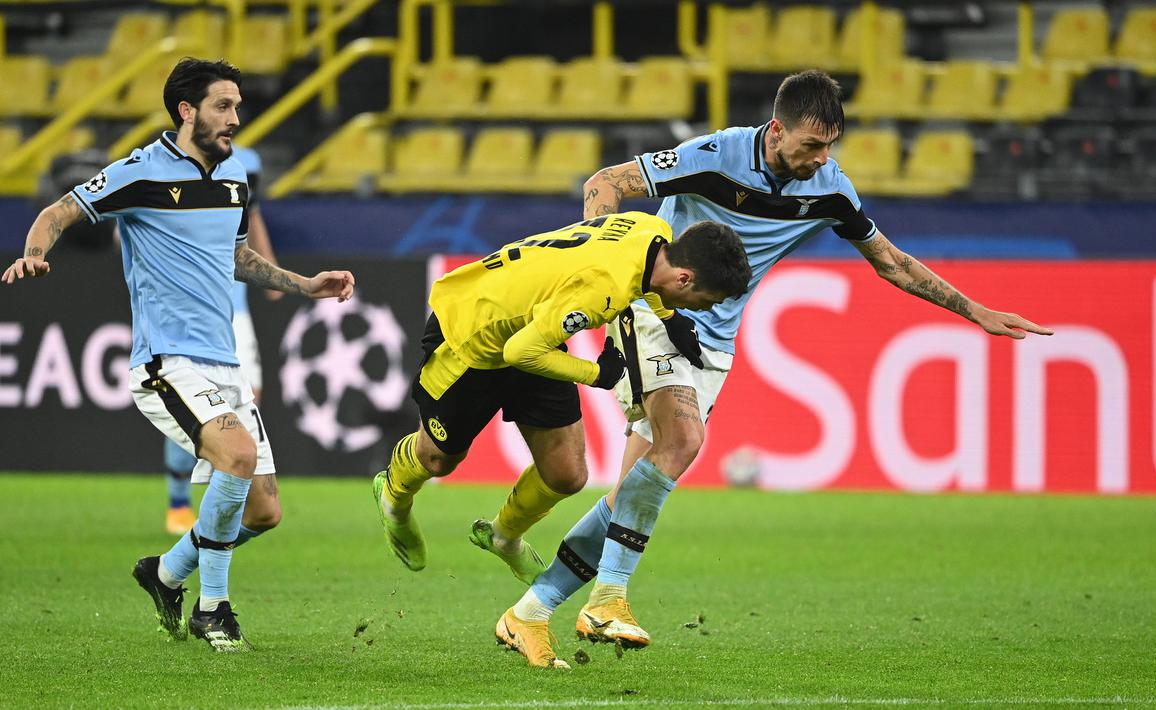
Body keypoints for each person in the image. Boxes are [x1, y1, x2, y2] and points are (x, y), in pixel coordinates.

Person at [484, 69, 1054, 660]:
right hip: (656, 310)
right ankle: (609, 598)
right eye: (811, 144)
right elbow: (607, 182)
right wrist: (608, 278)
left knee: (631, 493)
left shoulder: (829, 188)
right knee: (683, 441)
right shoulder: (715, 156)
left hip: (714, 344)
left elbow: (892, 263)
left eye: (830, 145)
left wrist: (975, 311)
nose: (821, 158)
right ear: (777, 130)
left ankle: (530, 613)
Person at [2, 58, 355, 651]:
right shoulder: (140, 172)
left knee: (264, 512)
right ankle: (214, 608)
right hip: (166, 361)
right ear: (186, 110)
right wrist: (35, 252)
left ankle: (164, 574)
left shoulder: (236, 173)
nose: (235, 119)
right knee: (236, 458)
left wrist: (302, 284)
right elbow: (57, 212)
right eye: (223, 106)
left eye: (238, 107)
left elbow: (237, 256)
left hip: (223, 360)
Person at [372, 211, 751, 668]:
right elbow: (519, 351)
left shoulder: (652, 231)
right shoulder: (602, 289)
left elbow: (618, 284)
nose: (700, 311)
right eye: (701, 302)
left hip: (533, 329)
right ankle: (393, 492)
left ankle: (503, 537)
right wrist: (597, 373)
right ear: (686, 277)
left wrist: (671, 318)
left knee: (568, 474)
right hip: (473, 337)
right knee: (438, 461)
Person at [162, 144, 282, 536]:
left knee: (248, 402)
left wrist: (272, 271)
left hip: (237, 309)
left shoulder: (246, 162)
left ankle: (221, 505)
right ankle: (178, 499)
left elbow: (252, 217)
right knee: (198, 412)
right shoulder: (160, 164)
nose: (229, 115)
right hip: (191, 314)